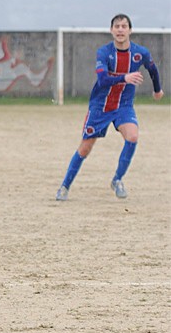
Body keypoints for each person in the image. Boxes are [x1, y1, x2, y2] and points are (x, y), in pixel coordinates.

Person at [56, 13, 164, 201]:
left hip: (124, 106)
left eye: (124, 26)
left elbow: (153, 69)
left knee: (133, 136)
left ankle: (117, 180)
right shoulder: (104, 52)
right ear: (111, 30)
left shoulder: (140, 53)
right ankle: (64, 186)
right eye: (117, 26)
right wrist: (125, 77)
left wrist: (157, 90)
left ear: (130, 30)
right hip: (100, 106)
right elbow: (103, 80)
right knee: (85, 148)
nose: (120, 30)